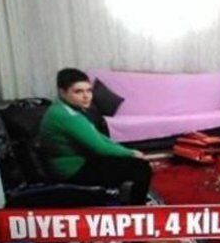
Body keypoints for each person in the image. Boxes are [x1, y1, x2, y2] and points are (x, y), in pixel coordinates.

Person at [39, 68, 152, 204]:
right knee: (142, 168)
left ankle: (123, 195)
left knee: (123, 156)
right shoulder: (67, 116)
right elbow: (100, 148)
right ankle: (137, 207)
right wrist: (132, 153)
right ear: (62, 92)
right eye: (78, 91)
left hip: (78, 162)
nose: (86, 96)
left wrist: (125, 150)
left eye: (89, 90)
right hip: (72, 171)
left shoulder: (64, 107)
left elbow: (97, 136)